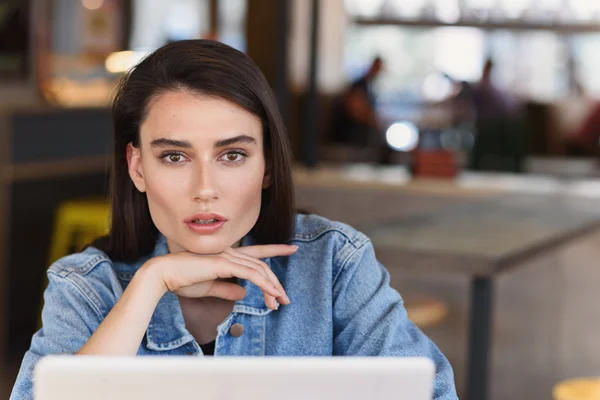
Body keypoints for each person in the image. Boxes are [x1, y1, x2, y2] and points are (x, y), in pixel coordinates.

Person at [11, 40, 458, 400]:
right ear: (137, 168)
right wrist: (151, 282)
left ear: (266, 165)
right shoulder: (85, 287)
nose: (205, 187)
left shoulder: (335, 265)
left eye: (232, 155)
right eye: (174, 156)